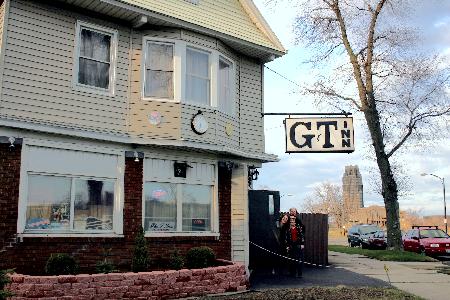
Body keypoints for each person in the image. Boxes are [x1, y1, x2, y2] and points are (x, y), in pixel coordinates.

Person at [284, 212, 305, 278]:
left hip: (298, 245)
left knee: (299, 260)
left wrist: (302, 244)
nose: (292, 222)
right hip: (291, 246)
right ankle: (292, 273)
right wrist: (287, 246)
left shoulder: (299, 228)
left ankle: (299, 274)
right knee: (291, 260)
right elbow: (286, 238)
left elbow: (302, 236)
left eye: (293, 220)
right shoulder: (288, 229)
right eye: (291, 221)